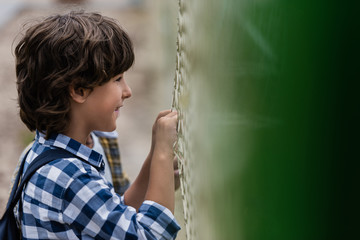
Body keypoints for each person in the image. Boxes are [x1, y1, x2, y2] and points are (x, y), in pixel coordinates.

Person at [14, 11, 180, 239]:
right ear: (79, 90)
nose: (127, 91)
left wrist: (154, 165)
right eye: (117, 80)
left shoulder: (44, 152)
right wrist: (163, 153)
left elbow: (115, 215)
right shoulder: (68, 177)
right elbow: (148, 235)